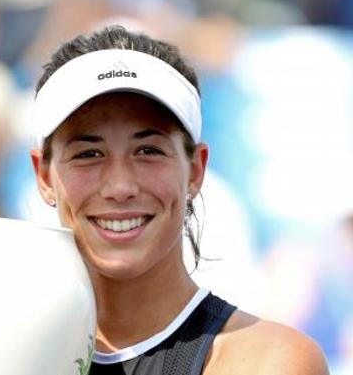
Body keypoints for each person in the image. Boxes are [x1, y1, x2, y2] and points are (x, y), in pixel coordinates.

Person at [29, 26, 328, 374]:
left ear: (196, 170)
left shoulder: (267, 361)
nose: (120, 186)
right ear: (44, 176)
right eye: (89, 153)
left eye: (148, 150)